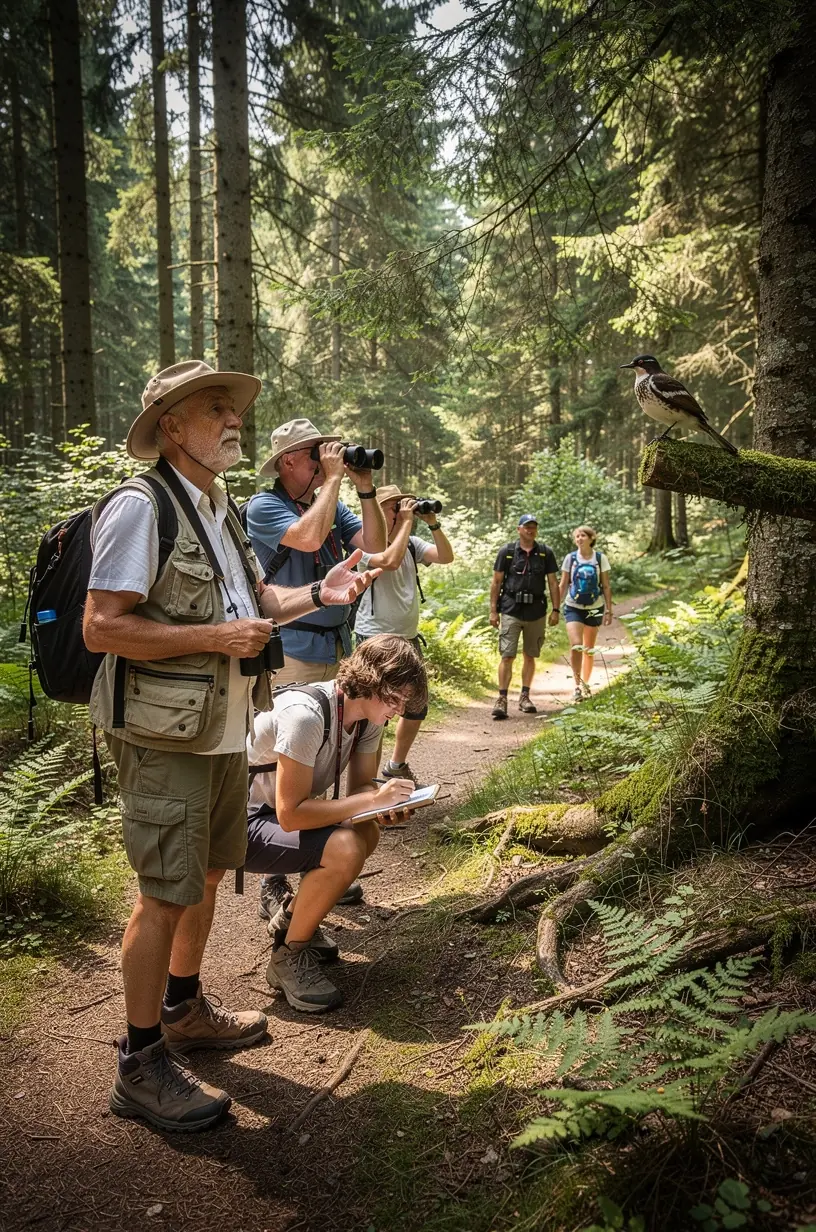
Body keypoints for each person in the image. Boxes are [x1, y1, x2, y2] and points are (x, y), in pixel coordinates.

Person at [83, 360, 378, 1134]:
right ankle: (139, 1065)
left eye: (232, 407)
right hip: (163, 736)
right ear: (171, 427)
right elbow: (100, 625)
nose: (232, 418)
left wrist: (322, 591)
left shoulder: (216, 507)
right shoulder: (141, 506)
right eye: (215, 408)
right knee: (163, 893)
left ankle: (183, 1010)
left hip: (222, 732)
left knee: (210, 873)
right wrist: (214, 636)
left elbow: (260, 604)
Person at [242, 635, 427, 1012]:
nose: (400, 710)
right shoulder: (305, 716)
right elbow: (290, 814)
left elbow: (360, 789)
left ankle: (293, 924)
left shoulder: (366, 718)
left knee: (365, 830)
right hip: (237, 824)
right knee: (344, 847)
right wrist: (372, 800)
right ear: (373, 682)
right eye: (396, 699)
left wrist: (387, 807)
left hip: (274, 819)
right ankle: (288, 957)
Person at [245, 418, 387, 686]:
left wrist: (366, 488)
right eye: (316, 453)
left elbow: (376, 545)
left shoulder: (333, 507)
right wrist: (333, 477)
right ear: (288, 461)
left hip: (336, 649)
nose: (324, 459)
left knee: (330, 728)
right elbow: (308, 538)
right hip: (290, 653)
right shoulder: (263, 505)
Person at [353, 485, 454, 783]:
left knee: (416, 706)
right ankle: (366, 785)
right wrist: (407, 521)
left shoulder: (410, 543)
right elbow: (390, 560)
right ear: (376, 511)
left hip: (407, 638)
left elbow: (446, 556)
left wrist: (432, 523)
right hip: (375, 639)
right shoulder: (365, 543)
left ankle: (396, 765)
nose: (399, 511)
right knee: (374, 714)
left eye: (402, 506)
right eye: (393, 507)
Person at [489, 514, 560, 719]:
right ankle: (502, 699)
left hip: (536, 611)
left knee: (530, 655)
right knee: (507, 655)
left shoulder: (546, 553)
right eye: (527, 527)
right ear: (519, 529)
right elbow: (496, 582)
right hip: (511, 608)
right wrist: (493, 611)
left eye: (533, 527)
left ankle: (525, 696)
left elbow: (553, 583)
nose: (530, 530)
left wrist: (556, 610)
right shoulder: (507, 552)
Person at [559, 525, 613, 702]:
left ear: (591, 538)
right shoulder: (570, 558)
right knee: (576, 646)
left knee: (588, 649)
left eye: (583, 536)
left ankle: (585, 684)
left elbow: (605, 585)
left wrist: (609, 610)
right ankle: (576, 686)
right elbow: (563, 583)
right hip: (573, 606)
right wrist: (555, 608)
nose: (579, 539)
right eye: (577, 536)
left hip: (594, 607)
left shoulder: (600, 558)